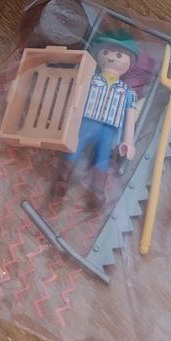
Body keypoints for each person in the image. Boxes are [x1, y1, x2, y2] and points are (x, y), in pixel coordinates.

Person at [53, 30, 139, 209]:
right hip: (86, 121)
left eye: (119, 55)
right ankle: (60, 181)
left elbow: (130, 116)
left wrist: (128, 141)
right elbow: (75, 96)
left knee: (103, 157)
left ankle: (97, 192)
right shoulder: (90, 79)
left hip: (109, 129)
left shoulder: (128, 93)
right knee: (74, 148)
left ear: (130, 62)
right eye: (106, 52)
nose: (112, 58)